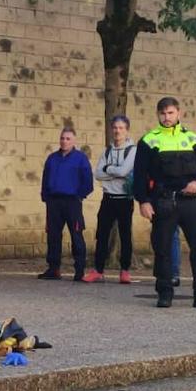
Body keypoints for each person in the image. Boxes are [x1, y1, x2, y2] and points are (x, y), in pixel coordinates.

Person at [133, 97, 196, 308]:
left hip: (189, 200)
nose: (167, 117)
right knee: (163, 249)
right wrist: (143, 202)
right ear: (158, 115)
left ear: (179, 113)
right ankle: (164, 293)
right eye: (163, 114)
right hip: (163, 201)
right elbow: (139, 175)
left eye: (171, 113)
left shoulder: (192, 138)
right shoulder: (149, 140)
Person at [83, 115, 136, 284]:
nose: (117, 131)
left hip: (124, 199)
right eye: (115, 128)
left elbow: (124, 172)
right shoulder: (107, 151)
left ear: (126, 130)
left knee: (125, 235)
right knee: (102, 234)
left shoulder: (132, 150)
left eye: (121, 128)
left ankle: (125, 270)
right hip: (108, 199)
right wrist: (115, 171)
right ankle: (98, 270)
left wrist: (109, 170)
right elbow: (97, 173)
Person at [38, 127, 93, 281]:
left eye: (68, 139)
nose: (64, 141)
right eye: (62, 138)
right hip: (54, 202)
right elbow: (45, 178)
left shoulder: (81, 159)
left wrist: (79, 196)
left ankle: (80, 270)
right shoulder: (52, 158)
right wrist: (45, 196)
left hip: (72, 202)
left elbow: (88, 181)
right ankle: (54, 269)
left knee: (76, 235)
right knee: (53, 236)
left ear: (74, 141)